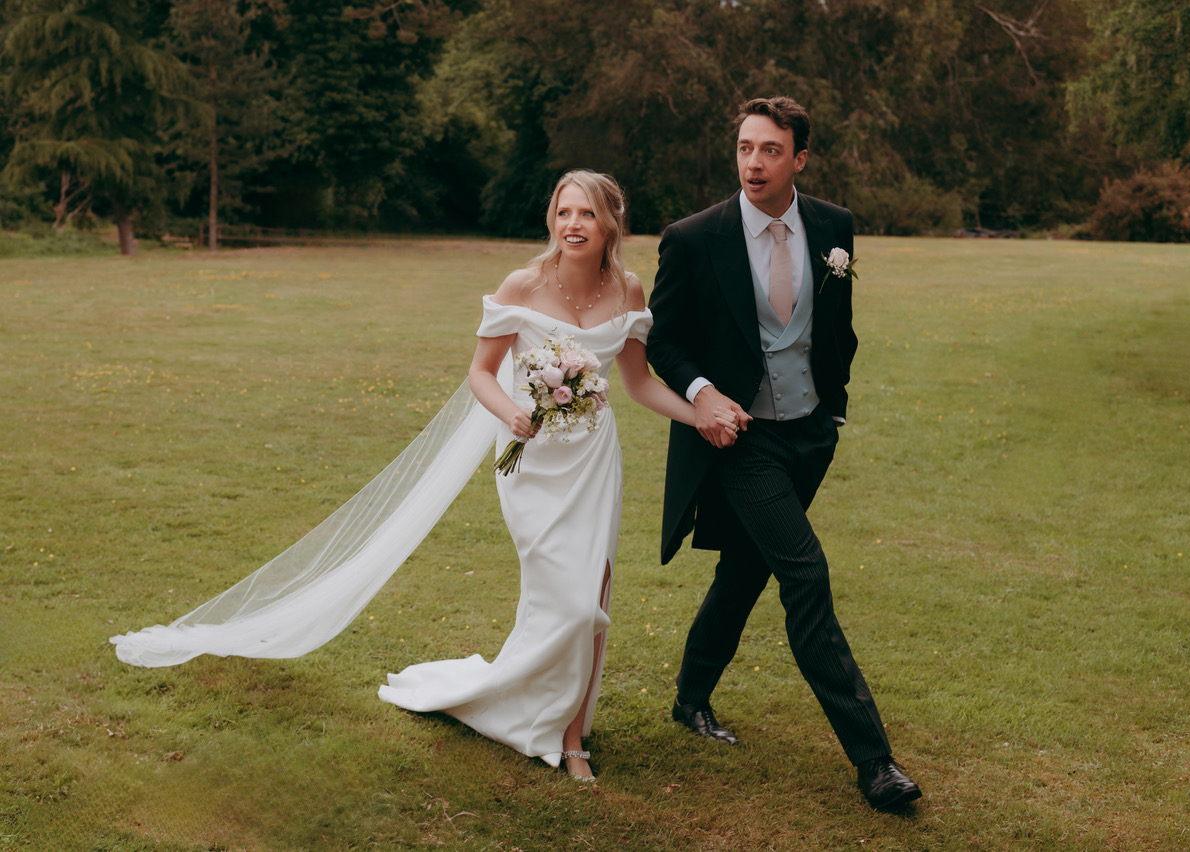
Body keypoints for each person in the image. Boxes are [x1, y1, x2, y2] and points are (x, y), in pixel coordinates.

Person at [110, 170, 736, 785]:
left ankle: (572, 735)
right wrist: (513, 411)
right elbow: (481, 374)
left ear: (610, 224)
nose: (574, 225)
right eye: (564, 212)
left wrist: (701, 413)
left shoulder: (628, 290)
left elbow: (635, 383)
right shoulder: (523, 285)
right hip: (531, 461)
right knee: (564, 602)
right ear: (553, 219)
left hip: (593, 460)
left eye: (587, 214)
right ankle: (530, 709)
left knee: (591, 601)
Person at [646, 97, 922, 810]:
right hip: (741, 438)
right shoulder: (694, 238)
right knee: (804, 575)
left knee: (744, 571)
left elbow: (838, 326)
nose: (753, 163)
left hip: (809, 434)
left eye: (770, 150)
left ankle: (689, 697)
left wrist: (833, 407)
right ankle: (876, 762)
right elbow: (664, 341)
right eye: (744, 148)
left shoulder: (834, 227)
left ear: (799, 158)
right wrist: (702, 392)